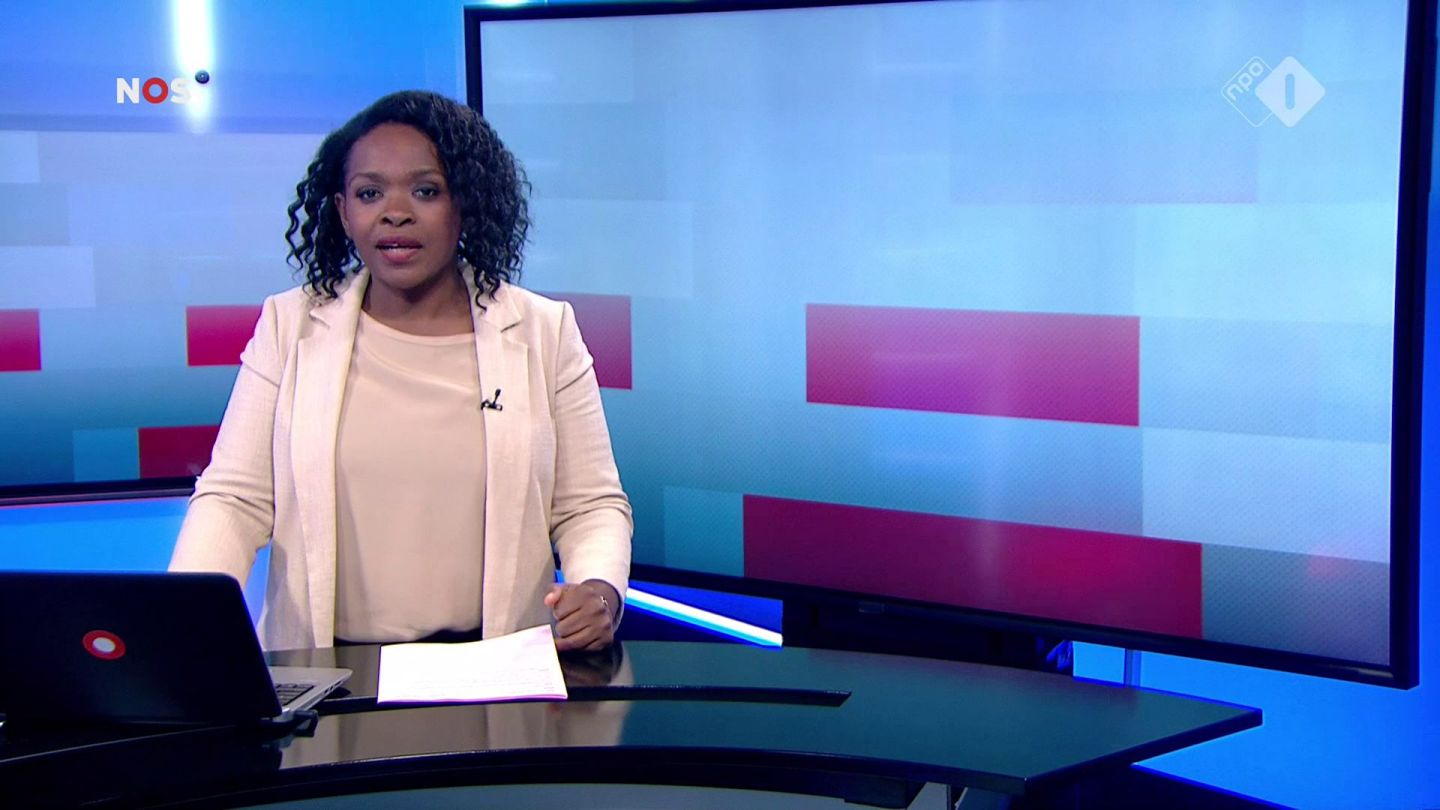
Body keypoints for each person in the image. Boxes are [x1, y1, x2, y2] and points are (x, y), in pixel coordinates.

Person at [170, 90, 631, 653]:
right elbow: (233, 499)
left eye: (425, 191)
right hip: (331, 672)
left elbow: (591, 504)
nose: (395, 212)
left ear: (465, 204)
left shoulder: (543, 331)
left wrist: (600, 590)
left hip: (496, 667)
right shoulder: (289, 325)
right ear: (343, 211)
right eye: (369, 193)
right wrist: (185, 616)